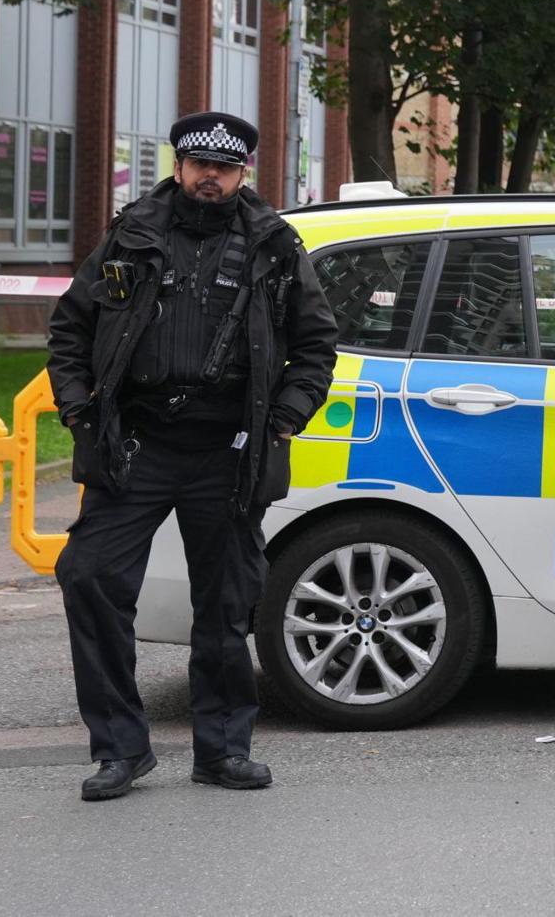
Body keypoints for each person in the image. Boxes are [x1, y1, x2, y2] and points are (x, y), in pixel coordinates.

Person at [46, 112, 339, 801]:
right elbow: (69, 329)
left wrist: (285, 420)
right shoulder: (133, 233)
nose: (210, 177)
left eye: (224, 167)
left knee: (227, 602)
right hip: (137, 445)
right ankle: (120, 748)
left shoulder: (272, 244)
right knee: (88, 577)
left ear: (243, 174)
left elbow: (316, 345)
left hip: (229, 451)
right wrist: (80, 410)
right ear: (178, 166)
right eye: (199, 164)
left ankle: (222, 749)